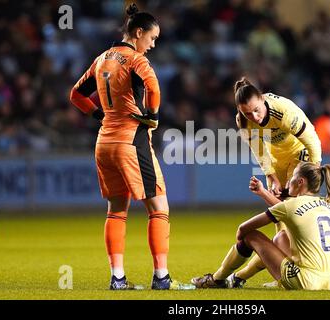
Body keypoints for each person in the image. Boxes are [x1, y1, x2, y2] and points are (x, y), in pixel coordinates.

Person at [70, 3, 194, 291]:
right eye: (152, 38)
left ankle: (117, 278)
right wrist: (151, 115)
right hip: (130, 141)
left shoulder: (101, 59)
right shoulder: (136, 60)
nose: (152, 44)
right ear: (138, 32)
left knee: (116, 210)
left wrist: (98, 114)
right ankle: (162, 278)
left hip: (104, 143)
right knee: (159, 206)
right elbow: (153, 87)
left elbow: (76, 94)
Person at [227, 77, 322, 287]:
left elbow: (312, 139)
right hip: (277, 159)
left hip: (300, 154)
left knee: (293, 210)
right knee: (279, 216)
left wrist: (313, 168)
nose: (254, 116)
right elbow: (258, 149)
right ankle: (286, 272)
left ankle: (301, 268)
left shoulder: (283, 112)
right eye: (247, 113)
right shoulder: (242, 120)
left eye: (256, 110)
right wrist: (270, 175)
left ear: (262, 99)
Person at [192, 162, 330, 290]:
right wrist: (263, 192)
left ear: (301, 182)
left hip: (305, 281)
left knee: (252, 236)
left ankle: (217, 280)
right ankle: (237, 278)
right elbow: (289, 210)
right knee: (281, 237)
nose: (289, 180)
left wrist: (242, 240)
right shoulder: (326, 204)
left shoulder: (292, 205)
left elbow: (242, 229)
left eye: (293, 177)